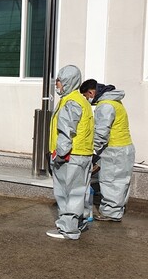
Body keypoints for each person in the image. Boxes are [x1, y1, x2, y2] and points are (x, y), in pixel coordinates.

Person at [46, 64, 94, 240]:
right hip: (83, 154)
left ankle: (68, 229)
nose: (57, 84)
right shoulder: (82, 101)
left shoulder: (70, 102)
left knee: (68, 192)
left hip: (71, 156)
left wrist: (60, 153)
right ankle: (78, 224)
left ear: (68, 81)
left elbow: (66, 131)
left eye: (59, 80)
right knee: (79, 191)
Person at [80, 80, 135, 222]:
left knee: (111, 181)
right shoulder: (115, 102)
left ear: (92, 92)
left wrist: (93, 152)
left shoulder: (105, 106)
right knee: (121, 181)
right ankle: (116, 210)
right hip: (125, 147)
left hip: (114, 150)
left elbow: (101, 133)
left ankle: (110, 213)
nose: (88, 100)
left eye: (86, 96)